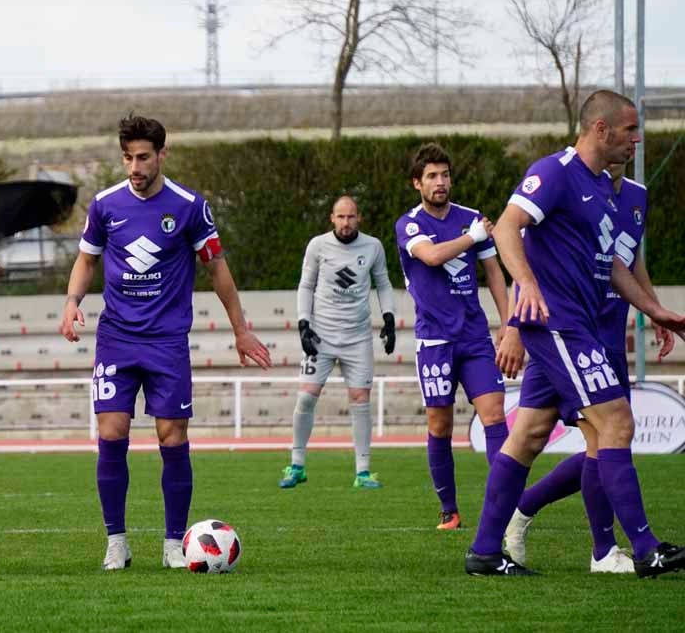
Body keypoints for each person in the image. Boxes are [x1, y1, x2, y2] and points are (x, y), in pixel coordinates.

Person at [465, 89, 685, 578]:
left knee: (529, 435)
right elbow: (506, 228)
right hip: (559, 323)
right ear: (601, 129)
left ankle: (484, 550)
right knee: (616, 423)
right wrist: (525, 290)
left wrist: (654, 310)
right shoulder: (555, 172)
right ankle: (641, 548)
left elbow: (611, 268)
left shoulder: (606, 190)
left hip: (579, 324)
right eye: (630, 129)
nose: (637, 138)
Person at [59, 114, 272, 570]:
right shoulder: (105, 205)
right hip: (116, 337)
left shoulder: (190, 206)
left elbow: (218, 270)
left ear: (161, 155)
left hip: (167, 341)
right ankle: (116, 541)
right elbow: (85, 260)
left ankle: (175, 543)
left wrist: (240, 329)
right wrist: (72, 301)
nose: (135, 166)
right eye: (128, 158)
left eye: (143, 157)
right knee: (111, 432)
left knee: (171, 436)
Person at [497, 161, 676, 574]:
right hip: (564, 332)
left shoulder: (636, 195)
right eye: (622, 132)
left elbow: (631, 260)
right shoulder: (565, 180)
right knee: (566, 435)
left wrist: (654, 311)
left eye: (632, 134)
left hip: (604, 334)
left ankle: (531, 518)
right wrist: (512, 329)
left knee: (600, 441)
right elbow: (524, 248)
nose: (626, 145)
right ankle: (604, 549)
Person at [395, 143, 511, 530]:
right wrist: (472, 237)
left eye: (444, 175)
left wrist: (509, 324)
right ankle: (449, 509)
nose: (440, 182)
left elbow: (494, 273)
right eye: (431, 176)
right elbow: (430, 257)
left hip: (475, 338)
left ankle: (504, 508)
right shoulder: (409, 224)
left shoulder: (470, 218)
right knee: (439, 424)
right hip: (434, 341)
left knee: (495, 416)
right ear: (417, 183)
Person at [278, 195, 396, 490]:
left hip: (357, 337)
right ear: (332, 218)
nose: (346, 223)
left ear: (359, 218)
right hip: (321, 335)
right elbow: (306, 285)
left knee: (360, 400)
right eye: (341, 217)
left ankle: (363, 472)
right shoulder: (318, 246)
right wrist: (304, 322)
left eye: (351, 217)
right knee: (306, 396)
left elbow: (383, 283)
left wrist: (390, 318)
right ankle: (297, 466)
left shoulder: (373, 246)